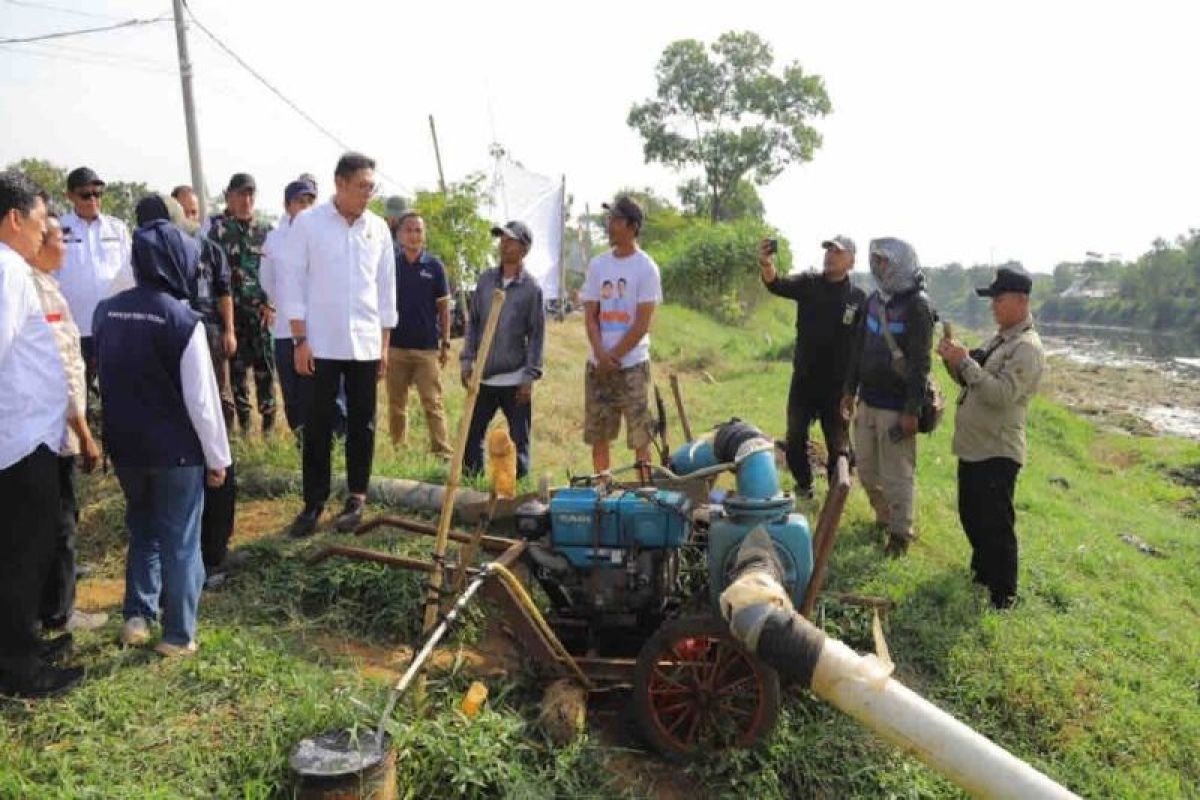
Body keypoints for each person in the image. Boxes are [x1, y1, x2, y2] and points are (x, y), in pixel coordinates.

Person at [94, 214, 230, 657]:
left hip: (127, 449)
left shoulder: (105, 312)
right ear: (177, 262)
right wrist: (218, 458)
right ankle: (177, 635)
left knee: (143, 529)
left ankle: (137, 616)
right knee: (181, 540)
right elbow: (203, 402)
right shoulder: (181, 319)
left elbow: (103, 380)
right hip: (176, 454)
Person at [280, 152, 397, 537]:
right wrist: (299, 339)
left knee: (362, 424)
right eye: (362, 186)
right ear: (340, 183)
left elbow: (385, 290)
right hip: (320, 342)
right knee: (317, 426)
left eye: (371, 186)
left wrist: (383, 344)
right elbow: (292, 282)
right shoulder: (309, 224)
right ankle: (313, 503)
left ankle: (357, 497)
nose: (368, 193)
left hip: (364, 342)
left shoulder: (377, 228)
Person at [129, 195, 240, 589]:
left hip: (199, 351)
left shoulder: (198, 249)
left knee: (209, 446)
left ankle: (209, 553)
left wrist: (228, 332)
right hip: (184, 354)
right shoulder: (157, 258)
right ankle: (203, 562)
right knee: (208, 451)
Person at [0, 171, 82, 698]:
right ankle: (19, 669)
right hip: (20, 440)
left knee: (27, 553)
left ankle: (24, 645)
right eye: (36, 222)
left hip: (29, 437)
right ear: (13, 219)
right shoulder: (8, 268)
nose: (41, 233)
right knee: (20, 560)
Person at [937, 267, 1045, 608]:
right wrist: (952, 361)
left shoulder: (1026, 348)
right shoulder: (1000, 339)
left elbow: (1000, 394)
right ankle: (981, 575)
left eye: (999, 299)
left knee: (996, 525)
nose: (993, 306)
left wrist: (966, 362)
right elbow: (971, 381)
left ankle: (1003, 595)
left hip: (997, 450)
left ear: (1021, 300)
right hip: (975, 446)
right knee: (972, 516)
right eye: (993, 300)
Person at [27, 211, 107, 633]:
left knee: (59, 519)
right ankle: (58, 614)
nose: (64, 247)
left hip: (51, 429)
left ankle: (52, 608)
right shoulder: (33, 291)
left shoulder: (46, 286)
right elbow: (59, 372)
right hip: (53, 431)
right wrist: (85, 434)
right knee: (60, 523)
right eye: (58, 239)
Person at [841, 237, 934, 556]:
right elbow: (857, 348)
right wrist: (849, 390)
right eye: (875, 260)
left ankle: (899, 535)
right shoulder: (872, 301)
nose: (878, 267)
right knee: (866, 469)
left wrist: (912, 410)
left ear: (900, 264)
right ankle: (884, 516)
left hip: (897, 407)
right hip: (867, 401)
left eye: (884, 261)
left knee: (897, 474)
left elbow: (921, 363)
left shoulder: (918, 306)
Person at [758, 234, 865, 499]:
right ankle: (804, 485)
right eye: (828, 250)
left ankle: (835, 493)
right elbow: (776, 284)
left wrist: (854, 389)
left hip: (838, 387)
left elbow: (863, 344)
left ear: (851, 261)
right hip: (804, 379)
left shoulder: (858, 298)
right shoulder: (809, 283)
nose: (830, 255)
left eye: (837, 252)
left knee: (838, 444)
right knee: (795, 436)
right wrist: (766, 263)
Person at [581, 196, 662, 474]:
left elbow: (641, 324)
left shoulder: (646, 268)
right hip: (598, 366)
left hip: (632, 366)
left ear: (632, 226)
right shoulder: (598, 266)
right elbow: (590, 315)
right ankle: (602, 493)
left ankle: (645, 495)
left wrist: (612, 357)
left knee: (641, 436)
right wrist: (600, 355)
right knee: (599, 436)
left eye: (615, 220)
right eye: (610, 219)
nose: (610, 225)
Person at [461, 220, 545, 478]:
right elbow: (473, 323)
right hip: (484, 376)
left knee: (519, 438)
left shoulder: (531, 288)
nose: (503, 244)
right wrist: (467, 361)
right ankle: (471, 485)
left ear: (524, 248)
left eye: (510, 240)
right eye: (502, 240)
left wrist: (529, 377)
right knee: (472, 434)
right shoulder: (486, 280)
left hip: (515, 377)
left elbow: (537, 335)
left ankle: (517, 490)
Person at [260, 177, 337, 438]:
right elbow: (267, 280)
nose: (305, 207)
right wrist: (288, 303)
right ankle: (301, 443)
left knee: (322, 391)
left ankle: (329, 443)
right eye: (299, 202)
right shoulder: (275, 239)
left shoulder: (327, 236)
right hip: (285, 330)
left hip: (319, 331)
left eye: (309, 201)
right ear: (286, 205)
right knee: (292, 394)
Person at [206, 173, 275, 434]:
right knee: (236, 374)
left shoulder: (267, 231)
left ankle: (268, 428)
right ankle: (244, 426)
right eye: (241, 195)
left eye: (250, 194)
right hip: (231, 315)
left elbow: (279, 273)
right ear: (229, 197)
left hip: (261, 313)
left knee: (265, 371)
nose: (247, 200)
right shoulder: (217, 231)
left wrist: (273, 305)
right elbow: (211, 276)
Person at [57, 166, 131, 411]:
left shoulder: (117, 228)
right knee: (76, 394)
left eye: (98, 194)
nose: (93, 200)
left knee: (116, 391)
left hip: (111, 325)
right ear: (70, 195)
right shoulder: (58, 229)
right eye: (85, 195)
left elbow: (129, 272)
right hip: (74, 327)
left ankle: (115, 445)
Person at [386, 211, 453, 457]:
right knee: (396, 405)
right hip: (395, 347)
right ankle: (398, 451)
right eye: (409, 230)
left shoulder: (435, 267)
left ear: (424, 236)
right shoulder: (390, 265)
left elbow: (444, 309)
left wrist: (445, 343)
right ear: (399, 235)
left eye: (418, 231)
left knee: (432, 402)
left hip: (426, 349)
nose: (414, 235)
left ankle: (442, 452)